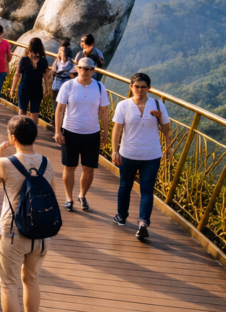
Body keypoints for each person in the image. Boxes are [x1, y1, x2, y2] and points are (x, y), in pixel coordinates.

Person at [0, 116, 53, 312]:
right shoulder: (47, 163)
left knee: (8, 286)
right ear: (34, 136)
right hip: (41, 236)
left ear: (12, 137)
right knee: (32, 279)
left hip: (11, 234)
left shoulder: (5, 163)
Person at [112, 73, 172, 239]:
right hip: (128, 154)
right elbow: (117, 129)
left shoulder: (158, 105)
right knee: (125, 186)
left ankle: (142, 223)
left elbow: (167, 131)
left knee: (146, 190)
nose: (140, 90)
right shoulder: (123, 105)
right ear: (131, 87)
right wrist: (114, 150)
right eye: (136, 86)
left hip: (151, 155)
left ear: (149, 89)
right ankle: (123, 216)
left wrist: (160, 119)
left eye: (143, 87)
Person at [54, 57, 110, 212]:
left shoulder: (99, 87)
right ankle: (69, 198)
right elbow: (59, 109)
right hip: (70, 131)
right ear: (77, 69)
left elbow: (104, 111)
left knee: (89, 168)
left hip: (92, 133)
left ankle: (82, 195)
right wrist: (57, 131)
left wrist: (106, 132)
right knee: (69, 167)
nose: (85, 71)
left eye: (88, 69)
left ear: (93, 71)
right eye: (82, 68)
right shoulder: (68, 86)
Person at [10, 37, 52, 124]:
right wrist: (47, 89)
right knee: (35, 113)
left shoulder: (24, 59)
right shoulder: (44, 61)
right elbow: (46, 76)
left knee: (22, 112)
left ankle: (21, 131)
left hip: (24, 88)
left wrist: (12, 89)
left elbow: (17, 74)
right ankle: (33, 133)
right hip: (37, 89)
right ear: (41, 47)